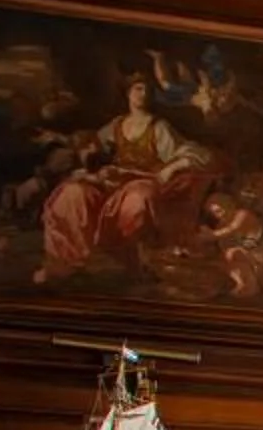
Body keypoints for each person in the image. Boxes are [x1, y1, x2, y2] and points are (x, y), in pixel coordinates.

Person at [35, 73, 216, 285]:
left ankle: (127, 260)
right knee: (72, 193)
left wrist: (172, 167)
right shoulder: (117, 124)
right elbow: (91, 146)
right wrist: (89, 161)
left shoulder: (158, 127)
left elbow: (196, 154)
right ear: (128, 93)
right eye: (138, 88)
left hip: (143, 181)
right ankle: (69, 261)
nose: (143, 94)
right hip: (115, 182)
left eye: (147, 89)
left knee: (139, 199)